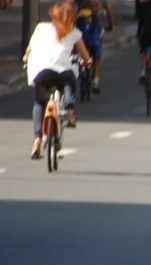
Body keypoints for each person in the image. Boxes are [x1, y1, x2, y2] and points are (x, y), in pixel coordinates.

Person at [23, 3, 92, 159]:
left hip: (41, 73)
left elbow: (29, 50)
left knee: (40, 102)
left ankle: (36, 141)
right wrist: (87, 62)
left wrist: (26, 58)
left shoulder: (40, 28)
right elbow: (86, 57)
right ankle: (70, 111)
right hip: (62, 73)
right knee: (71, 80)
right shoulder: (74, 32)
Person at [74, 0, 115, 93]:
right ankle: (96, 80)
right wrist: (111, 25)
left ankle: (80, 63)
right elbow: (109, 10)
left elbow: (67, 3)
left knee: (78, 43)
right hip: (95, 26)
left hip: (80, 25)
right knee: (97, 50)